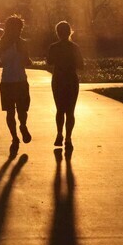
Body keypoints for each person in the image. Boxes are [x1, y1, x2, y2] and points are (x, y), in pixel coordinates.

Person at [0, 15, 33, 145]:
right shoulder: (23, 43)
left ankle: (14, 137)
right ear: (19, 29)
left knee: (10, 112)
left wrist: (1, 63)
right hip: (21, 81)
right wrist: (27, 61)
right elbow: (27, 62)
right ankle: (23, 125)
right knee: (22, 110)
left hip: (7, 82)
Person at [46, 21, 83, 149]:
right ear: (69, 32)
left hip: (58, 79)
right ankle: (68, 138)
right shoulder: (75, 47)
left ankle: (59, 133)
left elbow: (49, 62)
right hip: (71, 79)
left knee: (60, 110)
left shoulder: (53, 47)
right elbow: (81, 65)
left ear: (57, 33)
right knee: (70, 111)